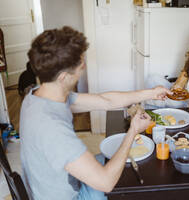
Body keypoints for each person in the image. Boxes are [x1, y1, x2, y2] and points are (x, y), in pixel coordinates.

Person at [19, 26, 171, 200]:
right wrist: (133, 131)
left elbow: (105, 101)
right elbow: (105, 182)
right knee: (132, 185)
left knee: (122, 163)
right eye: (80, 63)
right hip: (70, 195)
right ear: (63, 77)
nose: (83, 66)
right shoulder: (52, 129)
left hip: (60, 179)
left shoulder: (41, 93)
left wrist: (151, 93)